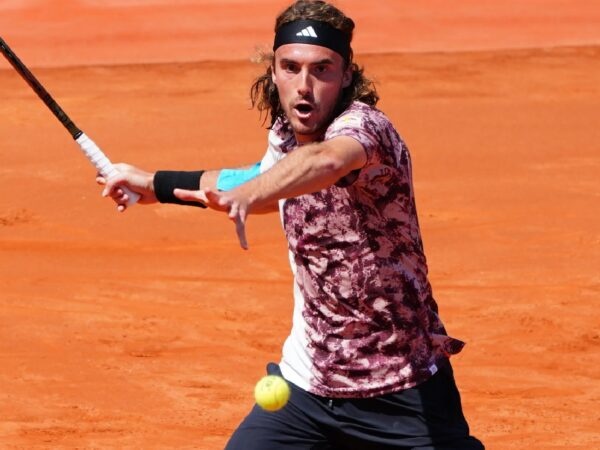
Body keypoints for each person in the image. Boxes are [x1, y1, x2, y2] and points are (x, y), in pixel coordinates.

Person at [98, 1, 485, 448]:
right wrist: (153, 184)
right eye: (291, 67)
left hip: (401, 392)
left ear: (346, 75)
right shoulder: (284, 137)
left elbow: (326, 161)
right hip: (304, 389)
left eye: (322, 69)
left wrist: (254, 193)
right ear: (274, 71)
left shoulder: (366, 129)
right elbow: (258, 175)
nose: (305, 86)